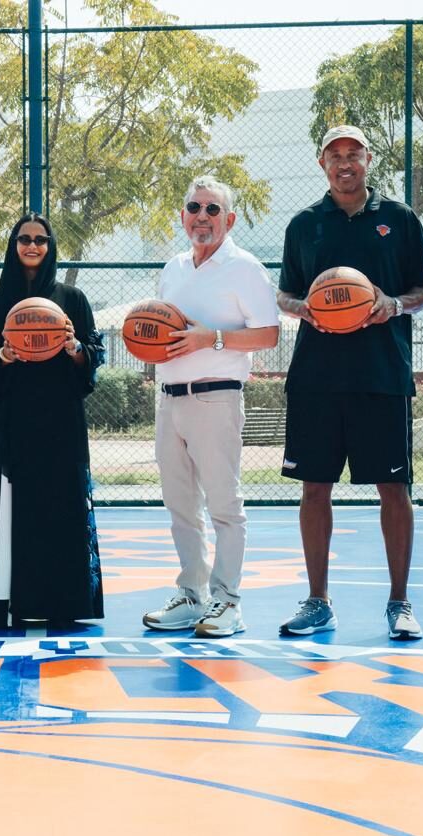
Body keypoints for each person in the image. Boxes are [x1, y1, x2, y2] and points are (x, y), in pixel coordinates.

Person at [276, 125, 423, 641]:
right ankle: (318, 601)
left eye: (353, 154)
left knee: (394, 487)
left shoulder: (399, 220)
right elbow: (284, 295)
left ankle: (399, 603)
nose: (344, 163)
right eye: (334, 156)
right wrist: (304, 308)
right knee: (314, 488)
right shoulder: (305, 224)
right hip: (317, 378)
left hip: (381, 375)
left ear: (368, 159)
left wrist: (394, 303)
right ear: (322, 163)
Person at [142, 176, 280, 638]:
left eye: (212, 210)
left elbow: (269, 333)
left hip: (216, 395)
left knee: (223, 504)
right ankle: (192, 595)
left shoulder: (245, 268)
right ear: (183, 216)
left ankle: (228, 602)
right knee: (180, 505)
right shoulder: (174, 267)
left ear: (230, 218)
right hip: (170, 399)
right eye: (194, 207)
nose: (202, 216)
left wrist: (212, 338)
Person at [0, 214, 105, 628]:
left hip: (59, 418)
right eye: (24, 239)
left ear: (51, 246)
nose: (32, 246)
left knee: (58, 507)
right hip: (8, 419)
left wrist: (75, 348)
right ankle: (6, 602)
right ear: (13, 245)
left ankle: (61, 601)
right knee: (7, 507)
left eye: (41, 240)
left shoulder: (72, 299)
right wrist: (1, 357)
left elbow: (93, 358)